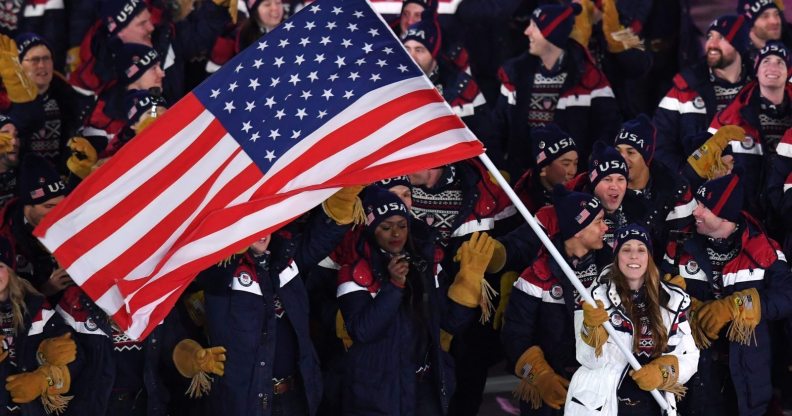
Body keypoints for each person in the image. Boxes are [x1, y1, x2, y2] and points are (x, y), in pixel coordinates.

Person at [337, 188, 491, 415]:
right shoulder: (354, 269)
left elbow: (451, 322)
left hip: (423, 385)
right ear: (371, 228)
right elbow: (362, 331)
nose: (396, 233)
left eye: (402, 225)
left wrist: (468, 283)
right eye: (386, 227)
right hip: (376, 392)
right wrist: (394, 286)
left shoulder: (425, 260)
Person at [661, 171, 792, 415]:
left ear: (725, 216)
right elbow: (659, 291)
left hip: (748, 381)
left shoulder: (763, 248)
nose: (696, 211)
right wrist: (690, 310)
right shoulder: (679, 244)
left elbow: (787, 295)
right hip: (694, 378)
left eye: (704, 208)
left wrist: (738, 306)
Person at [564, 224, 699, 415]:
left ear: (649, 257)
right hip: (602, 406)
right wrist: (591, 329)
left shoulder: (672, 301)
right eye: (626, 249)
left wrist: (662, 373)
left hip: (653, 406)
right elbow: (587, 360)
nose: (634, 256)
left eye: (641, 250)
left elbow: (689, 357)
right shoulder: (593, 298)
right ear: (617, 256)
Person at [502, 186, 608, 415]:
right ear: (578, 230)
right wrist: (540, 375)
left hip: (601, 388)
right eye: (598, 221)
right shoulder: (535, 276)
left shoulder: (612, 270)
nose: (606, 227)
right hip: (550, 393)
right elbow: (514, 336)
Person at [487, 2, 620, 179]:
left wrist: (590, 168)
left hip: (571, 182)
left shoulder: (589, 79)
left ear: (552, 35)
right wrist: (499, 167)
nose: (527, 32)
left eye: (535, 26)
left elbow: (608, 128)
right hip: (523, 179)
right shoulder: (516, 75)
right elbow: (497, 127)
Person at [654, 14, 752, 173]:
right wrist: (690, 176)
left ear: (739, 45)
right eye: (709, 36)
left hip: (750, 183)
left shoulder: (760, 87)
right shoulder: (685, 88)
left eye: (721, 37)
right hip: (698, 184)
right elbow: (659, 145)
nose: (711, 44)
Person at [707, 41, 792, 218]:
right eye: (766, 61)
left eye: (780, 62)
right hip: (744, 216)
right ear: (757, 70)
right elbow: (707, 164)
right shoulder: (729, 117)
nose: (773, 67)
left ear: (788, 72)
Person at [512, 123, 579, 213]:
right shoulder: (518, 203)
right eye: (566, 164)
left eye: (575, 163)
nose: (573, 171)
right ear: (543, 169)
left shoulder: (582, 190)